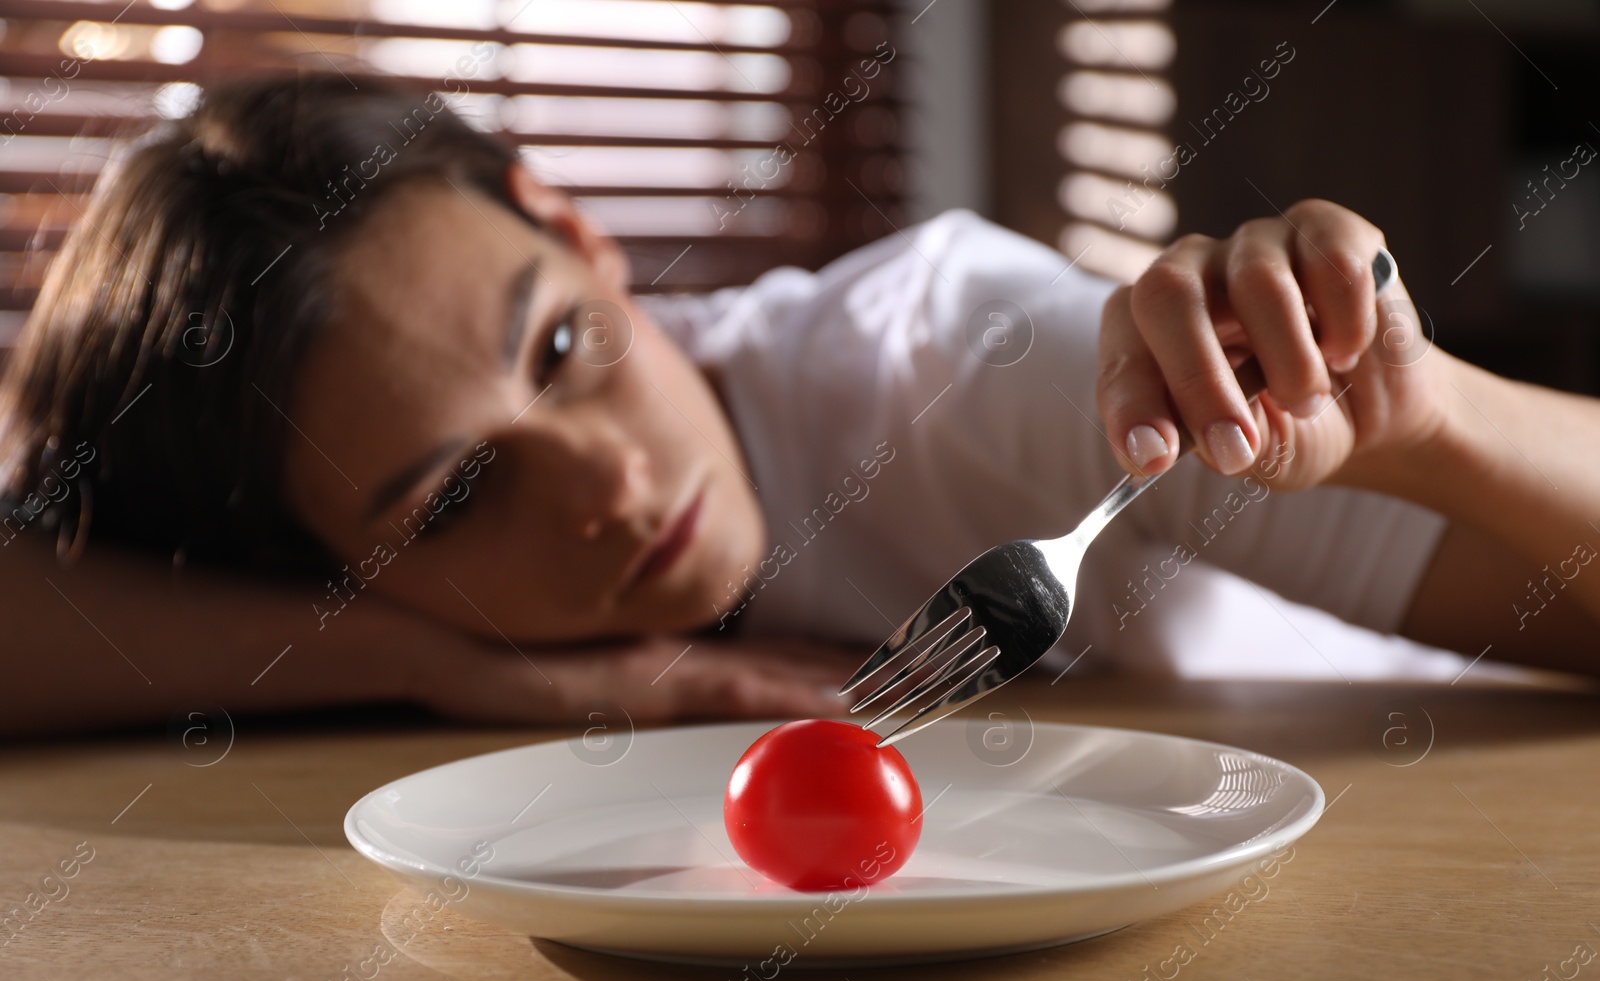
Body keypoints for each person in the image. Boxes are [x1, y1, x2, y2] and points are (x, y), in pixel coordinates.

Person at [0, 72, 1593, 739]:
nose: (606, 487)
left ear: (573, 229)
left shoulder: (978, 365)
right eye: (452, 499)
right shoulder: (327, 570)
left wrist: (1431, 417)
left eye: (562, 349)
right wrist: (452, 667)